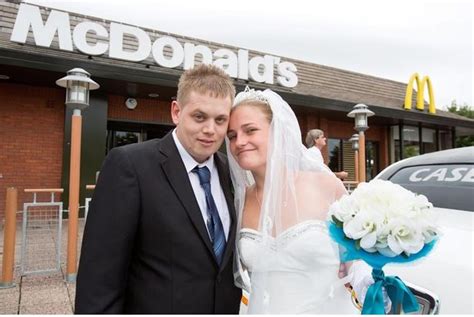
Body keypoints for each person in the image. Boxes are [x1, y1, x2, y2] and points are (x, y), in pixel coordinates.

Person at [75, 64, 241, 314]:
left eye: (220, 120)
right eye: (199, 117)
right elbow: (99, 275)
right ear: (176, 111)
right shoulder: (129, 165)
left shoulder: (233, 172)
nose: (210, 129)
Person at [225, 87, 387, 314]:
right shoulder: (240, 199)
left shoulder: (324, 185)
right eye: (232, 136)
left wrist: (364, 279)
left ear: (278, 131)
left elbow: (355, 254)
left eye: (250, 130)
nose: (239, 142)